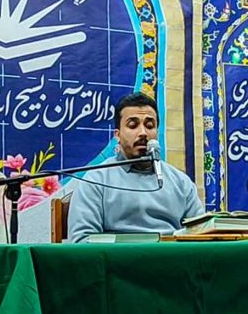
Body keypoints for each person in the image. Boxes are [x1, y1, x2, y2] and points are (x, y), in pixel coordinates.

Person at [67, 92, 204, 241]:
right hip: (117, 255)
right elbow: (81, 240)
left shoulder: (180, 182)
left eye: (149, 126)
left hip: (172, 255)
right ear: (117, 135)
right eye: (133, 125)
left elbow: (202, 235)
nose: (143, 133)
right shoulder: (96, 180)